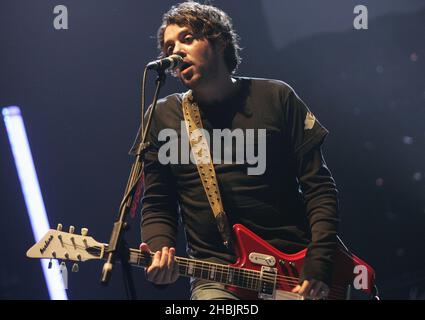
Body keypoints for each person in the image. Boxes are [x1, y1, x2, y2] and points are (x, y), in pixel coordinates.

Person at [134, 1, 339, 300]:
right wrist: (158, 251)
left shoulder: (275, 96)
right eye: (168, 48)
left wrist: (319, 261)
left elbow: (318, 187)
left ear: (219, 41)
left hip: (295, 268)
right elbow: (158, 202)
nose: (175, 51)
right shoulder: (164, 116)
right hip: (218, 277)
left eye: (187, 39)